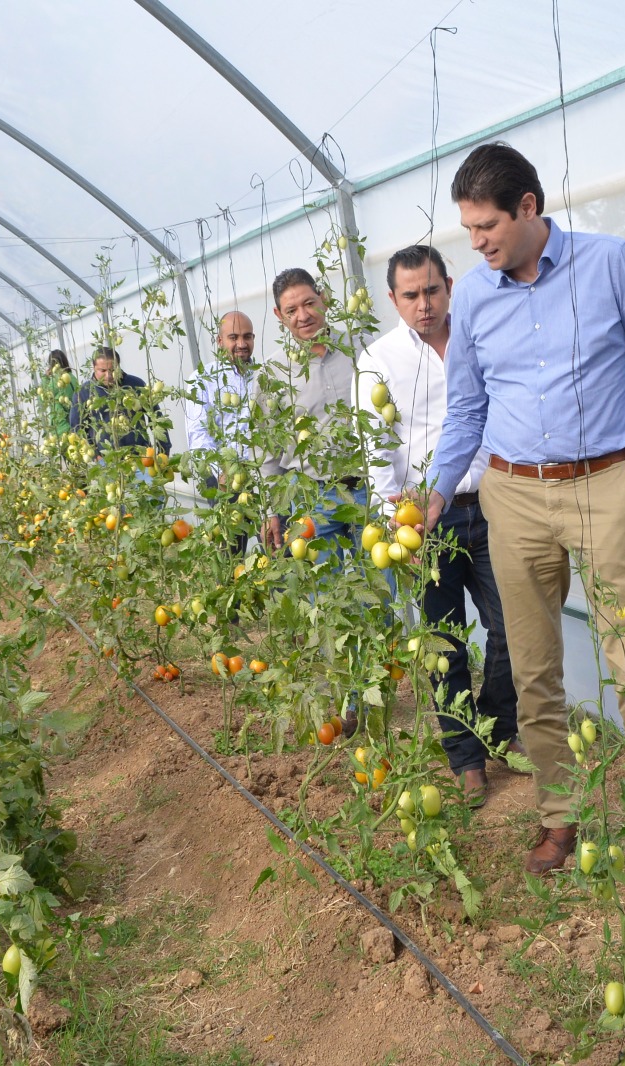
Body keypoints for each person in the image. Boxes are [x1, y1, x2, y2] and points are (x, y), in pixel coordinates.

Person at [422, 143, 625, 920]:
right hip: (514, 493)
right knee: (534, 670)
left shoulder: (611, 264)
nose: (475, 244)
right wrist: (439, 491)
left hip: (606, 483)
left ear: (530, 208)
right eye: (468, 228)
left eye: (486, 226)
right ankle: (558, 816)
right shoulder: (474, 299)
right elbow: (468, 410)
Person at [358, 245, 522, 807]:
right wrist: (393, 523)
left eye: (431, 291)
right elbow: (376, 448)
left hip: (495, 502)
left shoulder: (480, 335)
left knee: (511, 629)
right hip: (425, 520)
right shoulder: (378, 360)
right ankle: (465, 756)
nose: (423, 305)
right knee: (443, 641)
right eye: (410, 295)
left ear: (448, 286)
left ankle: (499, 726)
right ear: (392, 299)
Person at [258, 269, 365, 552]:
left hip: (367, 488)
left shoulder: (361, 347)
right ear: (279, 315)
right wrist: (272, 511)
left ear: (324, 299)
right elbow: (268, 449)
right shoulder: (272, 373)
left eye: (309, 303)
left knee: (384, 589)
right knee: (323, 587)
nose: (302, 316)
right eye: (291, 310)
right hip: (312, 498)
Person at [186, 312, 256, 556]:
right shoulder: (203, 379)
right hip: (224, 478)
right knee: (231, 547)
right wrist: (221, 471)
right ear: (219, 341)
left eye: (247, 337)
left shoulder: (264, 375)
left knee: (277, 541)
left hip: (262, 472)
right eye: (233, 337)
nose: (241, 344)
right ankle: (231, 591)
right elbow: (197, 433)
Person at [70, 347, 167, 457]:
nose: (109, 375)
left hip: (140, 456)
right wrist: (94, 454)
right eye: (103, 371)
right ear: (94, 368)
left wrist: (164, 451)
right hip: (107, 461)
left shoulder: (135, 385)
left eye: (113, 370)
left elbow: (156, 418)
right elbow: (77, 427)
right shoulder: (84, 392)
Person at [43, 348, 75, 437]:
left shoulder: (57, 380)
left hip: (62, 427)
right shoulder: (73, 378)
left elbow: (44, 398)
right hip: (74, 422)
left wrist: (45, 377)